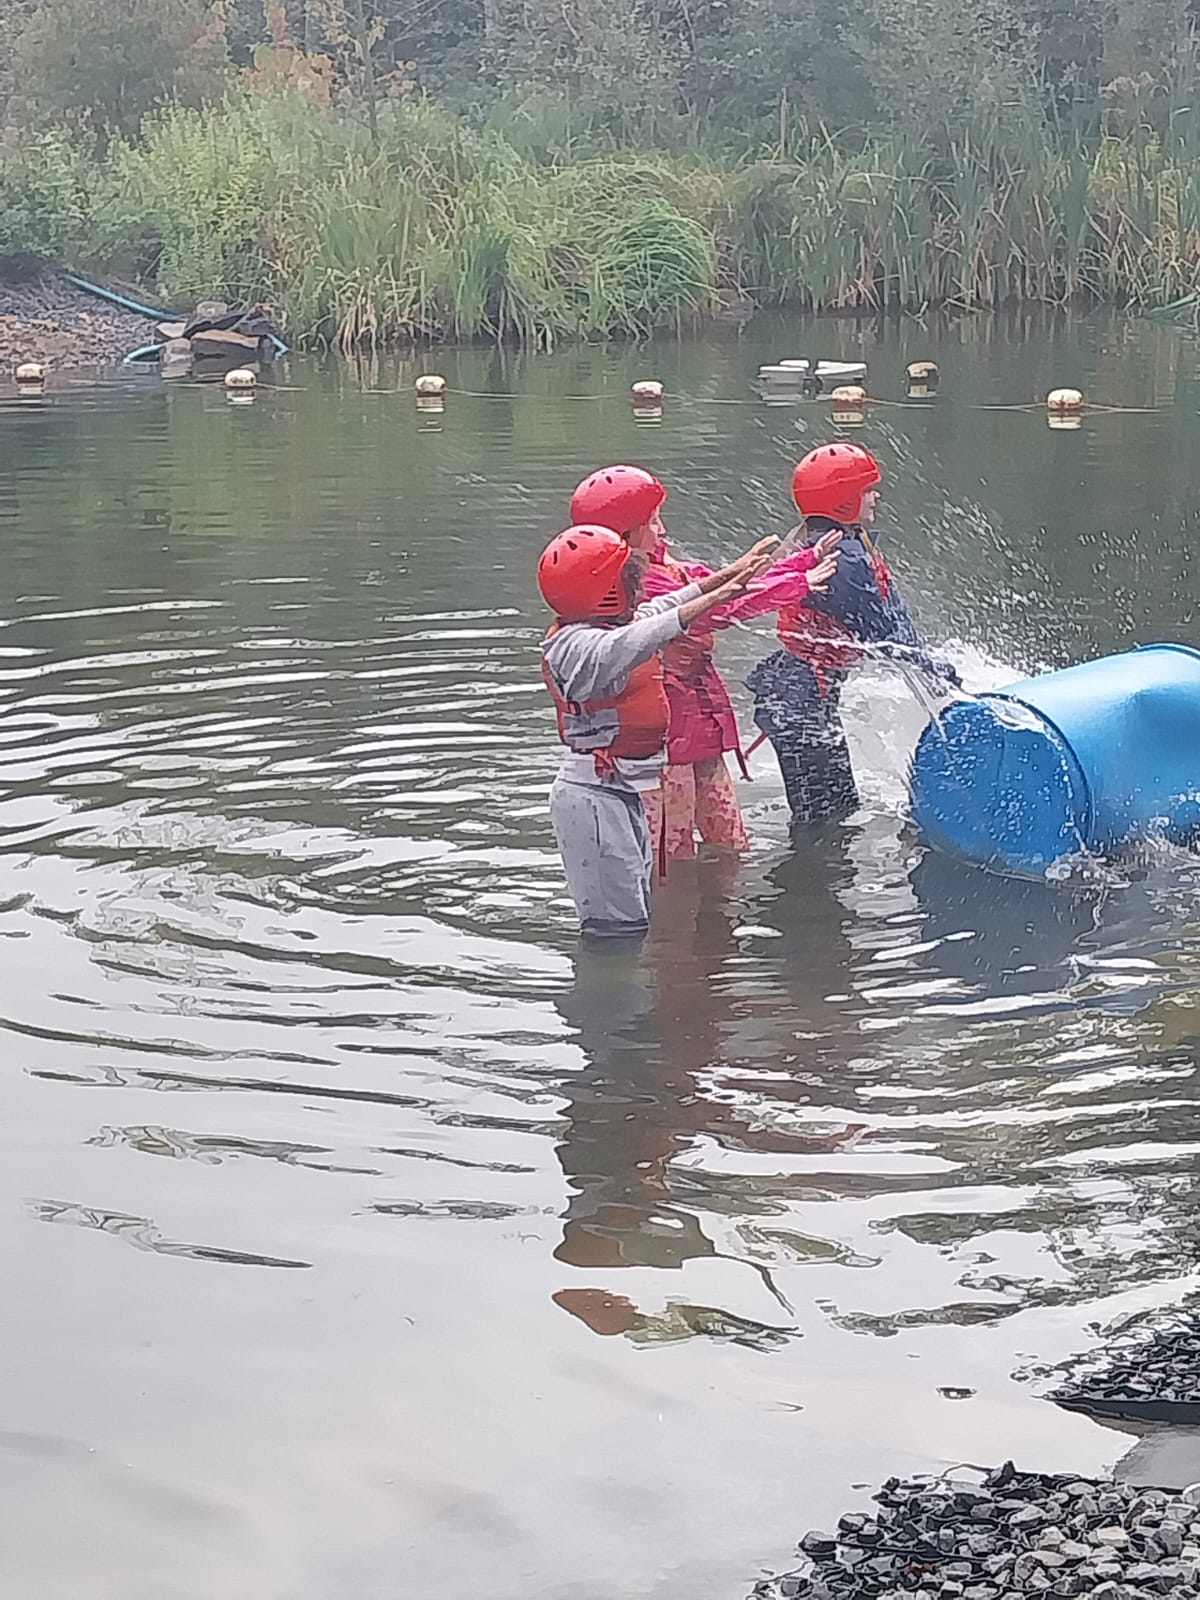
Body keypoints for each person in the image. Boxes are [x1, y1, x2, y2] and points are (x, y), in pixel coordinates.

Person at [568, 465, 839, 863]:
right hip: (666, 729)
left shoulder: (667, 567)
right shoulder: (635, 587)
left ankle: (715, 913)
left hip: (696, 718)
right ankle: (677, 919)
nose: (662, 530)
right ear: (624, 533)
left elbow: (728, 586)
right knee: (671, 850)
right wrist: (797, 581)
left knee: (728, 839)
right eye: (653, 521)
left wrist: (798, 563)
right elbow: (718, 608)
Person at [539, 521, 774, 938]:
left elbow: (656, 610)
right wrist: (711, 600)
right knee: (616, 931)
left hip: (617, 791)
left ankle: (637, 997)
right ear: (604, 591)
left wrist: (728, 576)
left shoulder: (604, 626)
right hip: (593, 798)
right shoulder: (577, 648)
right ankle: (614, 998)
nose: (639, 592)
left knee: (635, 919)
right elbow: (638, 639)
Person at [747, 441, 958, 826]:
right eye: (866, 490)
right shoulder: (841, 561)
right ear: (842, 499)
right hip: (798, 702)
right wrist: (939, 674)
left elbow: (891, 620)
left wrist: (930, 666)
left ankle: (818, 879)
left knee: (835, 813)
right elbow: (886, 635)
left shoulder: (835, 541)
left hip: (799, 694)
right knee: (824, 820)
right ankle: (808, 883)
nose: (875, 496)